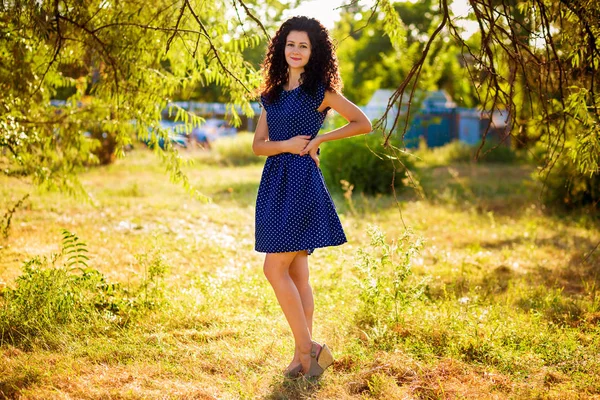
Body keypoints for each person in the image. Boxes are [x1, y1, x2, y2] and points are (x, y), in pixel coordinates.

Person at [252, 16, 372, 379]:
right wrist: (286, 145)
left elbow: (362, 122)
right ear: (281, 48)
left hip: (302, 184)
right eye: (291, 44)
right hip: (275, 184)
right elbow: (258, 146)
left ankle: (310, 350)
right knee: (296, 273)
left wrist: (320, 139)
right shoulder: (271, 94)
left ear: (314, 51)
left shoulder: (320, 91)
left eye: (303, 45)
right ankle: (299, 356)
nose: (296, 51)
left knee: (273, 268)